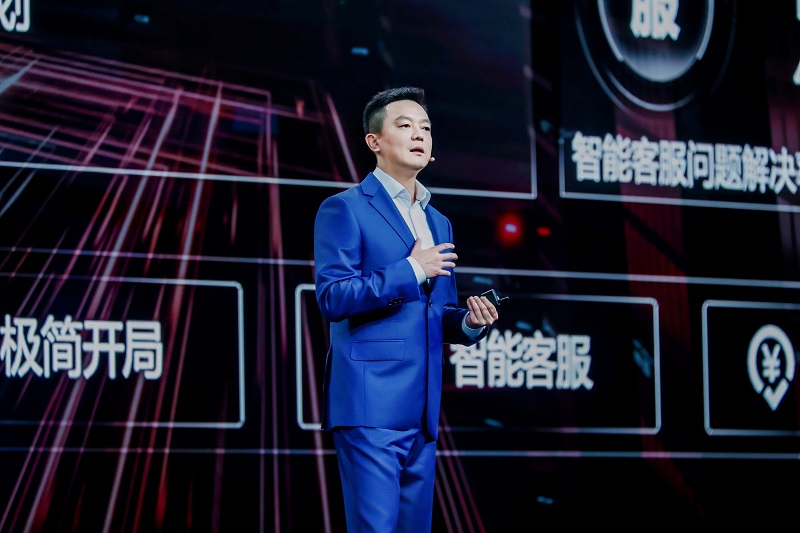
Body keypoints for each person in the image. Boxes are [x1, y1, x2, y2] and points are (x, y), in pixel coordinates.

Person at [313, 86, 499, 532]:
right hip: (370, 405)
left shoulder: (438, 221)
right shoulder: (344, 208)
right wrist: (411, 269)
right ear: (374, 141)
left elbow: (438, 311)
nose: (419, 134)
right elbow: (333, 296)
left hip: (422, 409)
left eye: (426, 128)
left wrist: (468, 322)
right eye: (405, 125)